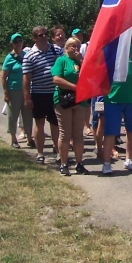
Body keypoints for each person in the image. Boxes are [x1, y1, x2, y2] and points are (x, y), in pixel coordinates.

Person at [101, 33, 132, 175]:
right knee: (111, 131)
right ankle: (107, 163)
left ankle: (129, 159)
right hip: (113, 97)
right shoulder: (111, 49)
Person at [22, 26, 63, 164]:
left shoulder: (56, 50)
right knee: (39, 123)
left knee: (56, 124)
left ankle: (59, 152)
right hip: (39, 93)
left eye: (45, 34)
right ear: (35, 38)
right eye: (40, 35)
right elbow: (26, 79)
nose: (44, 36)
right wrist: (27, 98)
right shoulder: (29, 56)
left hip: (55, 93)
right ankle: (40, 154)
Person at [51, 37, 88, 176]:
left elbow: (89, 75)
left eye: (78, 46)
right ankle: (64, 163)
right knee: (65, 133)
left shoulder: (81, 61)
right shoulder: (61, 60)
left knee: (78, 134)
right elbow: (56, 79)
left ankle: (79, 163)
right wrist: (75, 87)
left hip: (80, 101)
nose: (75, 48)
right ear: (66, 47)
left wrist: (82, 60)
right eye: (72, 46)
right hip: (64, 100)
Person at [1, 33, 32, 149]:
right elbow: (3, 77)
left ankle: (29, 138)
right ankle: (13, 139)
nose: (18, 43)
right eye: (16, 42)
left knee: (28, 114)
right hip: (13, 90)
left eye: (20, 41)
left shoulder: (27, 55)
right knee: (13, 115)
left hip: (27, 90)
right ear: (12, 44)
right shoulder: (9, 58)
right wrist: (6, 92)